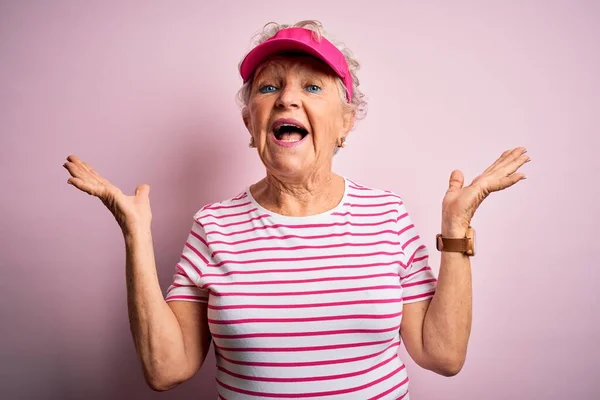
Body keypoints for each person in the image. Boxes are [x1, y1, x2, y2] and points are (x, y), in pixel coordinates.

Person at [63, 20, 530, 399]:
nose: (287, 97)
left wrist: (456, 228)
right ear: (251, 123)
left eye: (311, 86)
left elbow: (441, 355)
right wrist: (136, 236)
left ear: (345, 123)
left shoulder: (387, 216)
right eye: (268, 88)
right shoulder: (213, 226)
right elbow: (167, 370)